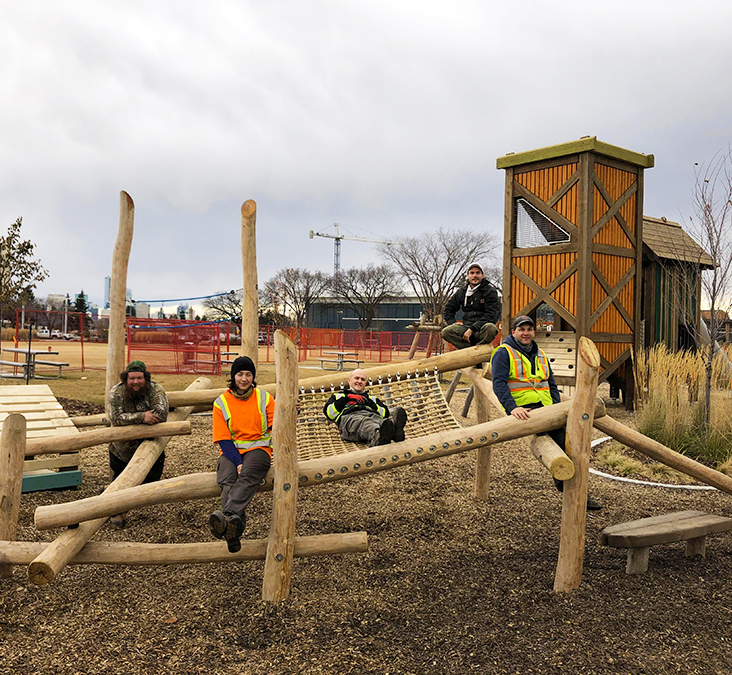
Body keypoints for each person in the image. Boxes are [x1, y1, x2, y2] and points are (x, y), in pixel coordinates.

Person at [490, 315, 602, 511]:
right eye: (521, 329)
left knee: (573, 436)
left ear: (534, 332)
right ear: (513, 332)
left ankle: (573, 485)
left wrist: (557, 407)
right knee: (560, 438)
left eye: (529, 329)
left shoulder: (540, 352)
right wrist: (512, 408)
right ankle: (571, 488)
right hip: (524, 407)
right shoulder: (504, 353)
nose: (526, 333)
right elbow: (498, 383)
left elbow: (551, 383)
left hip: (546, 406)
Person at [209, 356, 275, 553]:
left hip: (259, 450)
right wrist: (237, 461)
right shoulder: (221, 403)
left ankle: (226, 515)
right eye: (240, 374)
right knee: (227, 479)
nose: (244, 379)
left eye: (248, 374)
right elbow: (223, 438)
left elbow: (277, 424)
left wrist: (292, 413)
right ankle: (233, 533)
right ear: (233, 377)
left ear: (253, 377)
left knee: (247, 475)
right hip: (231, 451)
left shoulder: (264, 398)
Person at [106, 360, 169, 527]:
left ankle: (109, 495)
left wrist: (132, 418)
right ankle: (116, 513)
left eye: (139, 378)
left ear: (146, 379)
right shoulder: (116, 392)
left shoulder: (156, 389)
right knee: (121, 481)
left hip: (149, 446)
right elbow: (115, 418)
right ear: (126, 379)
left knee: (149, 483)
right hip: (121, 448)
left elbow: (161, 413)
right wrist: (143, 417)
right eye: (132, 378)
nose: (135, 382)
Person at [324, 368, 407, 446]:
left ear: (365, 383)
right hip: (350, 419)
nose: (359, 381)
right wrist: (346, 399)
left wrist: (369, 402)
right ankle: (378, 436)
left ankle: (395, 433)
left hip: (372, 415)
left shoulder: (372, 398)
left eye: (362, 379)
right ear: (349, 381)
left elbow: (385, 413)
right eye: (357, 378)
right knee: (365, 423)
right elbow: (329, 414)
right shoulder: (339, 396)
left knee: (380, 421)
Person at [442, 262, 501, 350]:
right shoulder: (462, 292)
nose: (475, 276)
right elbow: (448, 309)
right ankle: (469, 349)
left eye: (477, 273)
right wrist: (452, 322)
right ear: (468, 275)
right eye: (472, 273)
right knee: (446, 332)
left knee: (491, 328)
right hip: (466, 327)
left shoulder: (490, 291)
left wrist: (472, 329)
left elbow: (492, 315)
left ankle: (480, 349)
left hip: (482, 328)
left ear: (482, 275)